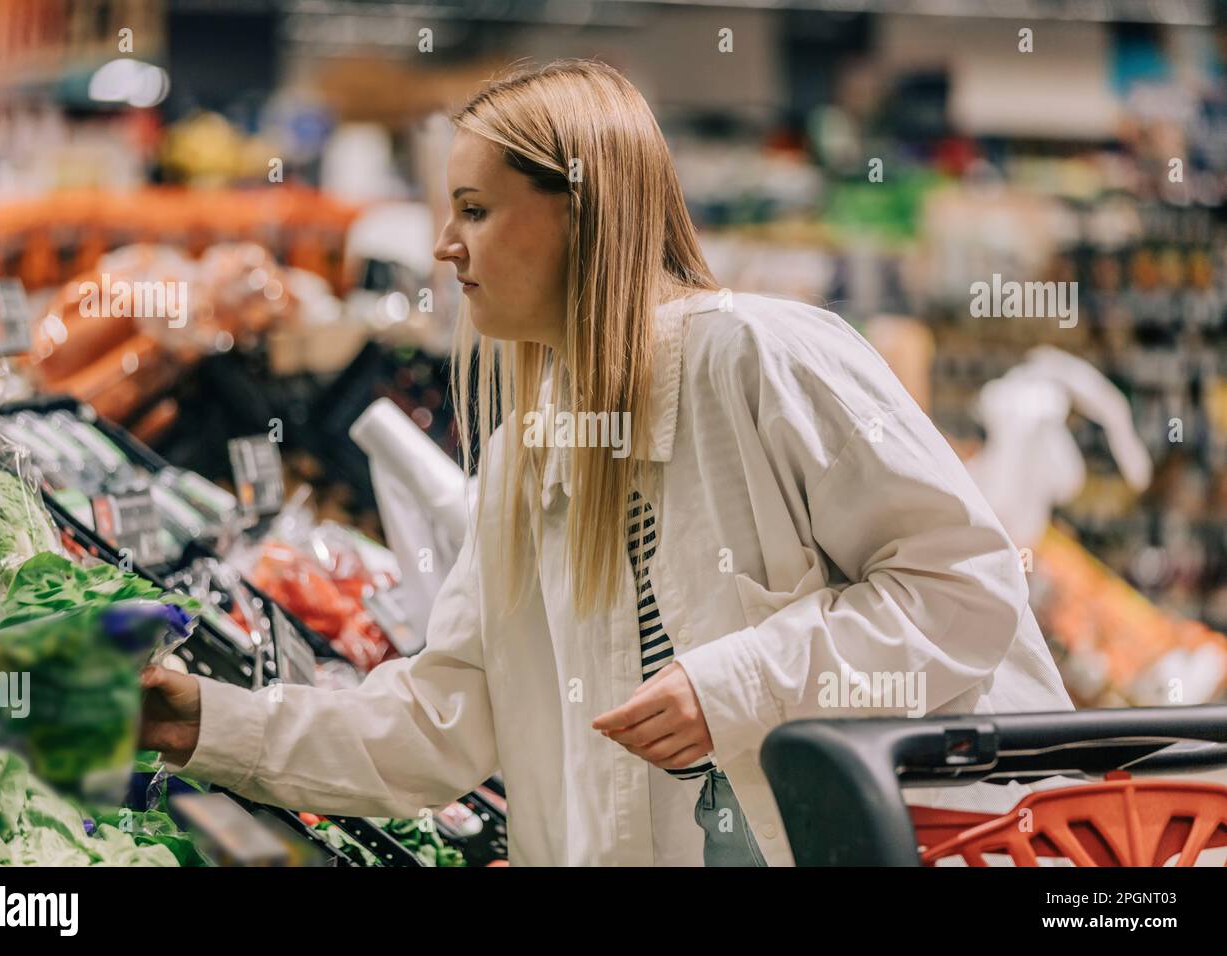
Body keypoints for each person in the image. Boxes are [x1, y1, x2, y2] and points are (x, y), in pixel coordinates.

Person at [140, 59, 1074, 867]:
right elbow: (439, 721)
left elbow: (963, 589)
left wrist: (736, 683)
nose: (444, 245)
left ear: (582, 213)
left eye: (475, 209)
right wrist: (196, 720)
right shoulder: (524, 459)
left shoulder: (761, 358)